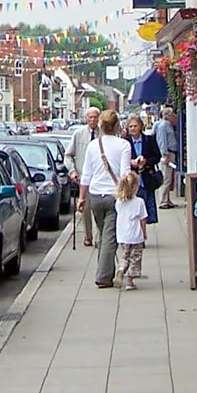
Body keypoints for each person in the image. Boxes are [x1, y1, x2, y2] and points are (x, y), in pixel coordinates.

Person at [77, 110, 132, 288]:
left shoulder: (93, 145)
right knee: (110, 237)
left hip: (95, 196)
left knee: (103, 234)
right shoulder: (123, 145)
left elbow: (86, 174)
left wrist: (81, 198)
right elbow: (124, 174)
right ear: (116, 126)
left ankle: (107, 270)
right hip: (114, 196)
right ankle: (103, 276)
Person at [67, 107, 100, 246]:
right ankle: (88, 236)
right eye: (90, 117)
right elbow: (68, 155)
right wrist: (72, 171)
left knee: (98, 209)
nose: (93, 120)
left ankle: (99, 237)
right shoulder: (78, 134)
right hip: (83, 178)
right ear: (86, 118)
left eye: (95, 117)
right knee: (85, 209)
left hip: (99, 178)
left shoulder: (103, 134)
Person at [125, 114, 162, 225]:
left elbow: (157, 156)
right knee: (133, 212)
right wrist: (130, 162)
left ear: (140, 126)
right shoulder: (125, 142)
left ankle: (143, 231)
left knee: (145, 212)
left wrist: (146, 162)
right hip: (132, 181)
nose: (133, 129)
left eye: (135, 126)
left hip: (146, 180)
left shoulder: (149, 140)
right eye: (130, 126)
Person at [113, 171, 147, 290]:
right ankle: (129, 281)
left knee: (125, 256)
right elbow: (143, 220)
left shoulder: (119, 202)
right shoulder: (139, 202)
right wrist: (144, 233)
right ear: (135, 187)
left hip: (122, 235)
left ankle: (121, 270)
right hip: (136, 236)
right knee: (135, 258)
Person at [152, 110, 179, 207]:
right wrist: (165, 154)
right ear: (168, 116)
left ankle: (167, 199)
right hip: (167, 154)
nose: (175, 116)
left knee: (169, 178)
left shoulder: (169, 126)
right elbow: (162, 141)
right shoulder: (163, 126)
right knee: (166, 178)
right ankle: (163, 200)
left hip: (171, 153)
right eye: (173, 114)